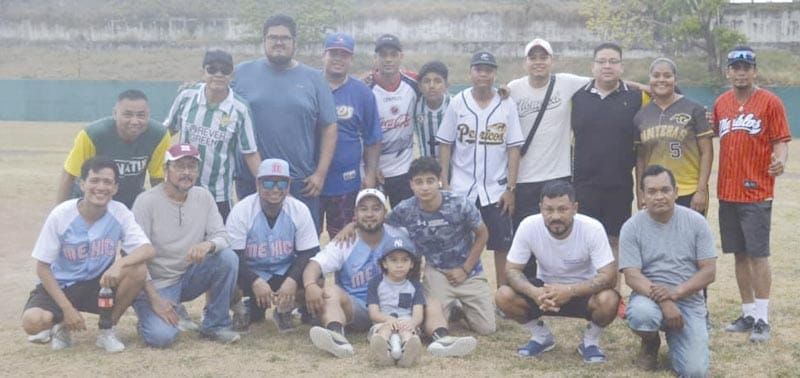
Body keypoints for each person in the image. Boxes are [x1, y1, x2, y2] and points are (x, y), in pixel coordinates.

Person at [305, 188, 477, 359]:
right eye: (363, 209)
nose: (370, 214)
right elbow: (315, 264)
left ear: (385, 212)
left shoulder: (399, 235)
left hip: (398, 304)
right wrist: (310, 285)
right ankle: (337, 338)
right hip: (359, 308)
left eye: (376, 208)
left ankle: (442, 340)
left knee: (431, 302)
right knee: (330, 292)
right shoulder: (346, 240)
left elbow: (418, 257)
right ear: (355, 214)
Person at [22, 156, 154, 352]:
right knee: (33, 322)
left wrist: (119, 264)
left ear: (115, 188)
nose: (101, 187)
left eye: (107, 182)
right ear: (82, 184)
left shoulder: (119, 212)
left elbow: (147, 249)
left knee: (137, 269)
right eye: (94, 180)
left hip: (98, 284)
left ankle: (106, 330)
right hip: (62, 285)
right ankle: (60, 326)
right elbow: (42, 268)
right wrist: (66, 309)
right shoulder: (61, 215)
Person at [713, 46, 791, 342]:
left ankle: (762, 317)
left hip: (756, 192)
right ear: (728, 71)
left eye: (746, 67)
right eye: (735, 67)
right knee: (739, 254)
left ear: (754, 71)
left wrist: (781, 160)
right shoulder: (721, 103)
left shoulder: (770, 102)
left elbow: (781, 140)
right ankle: (747, 313)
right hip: (727, 192)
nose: (741, 72)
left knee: (758, 255)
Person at [232, 14, 338, 232]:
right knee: (253, 245)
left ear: (294, 42)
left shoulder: (314, 79)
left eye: (285, 38)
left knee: (302, 246)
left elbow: (329, 127)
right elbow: (215, 94)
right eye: (272, 37)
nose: (278, 42)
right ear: (264, 41)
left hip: (300, 181)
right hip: (250, 180)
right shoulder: (241, 73)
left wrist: (320, 173)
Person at [495, 180, 619, 363]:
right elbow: (512, 270)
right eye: (549, 209)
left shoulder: (592, 228)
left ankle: (590, 341)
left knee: (609, 300)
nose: (555, 216)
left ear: (575, 208)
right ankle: (541, 337)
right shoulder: (529, 225)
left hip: (582, 290)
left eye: (562, 209)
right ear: (540, 208)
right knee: (503, 295)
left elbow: (609, 276)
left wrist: (569, 291)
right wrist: (534, 292)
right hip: (544, 293)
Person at [131, 144, 240, 347]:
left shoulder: (203, 196)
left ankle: (215, 325)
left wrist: (208, 245)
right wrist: (154, 298)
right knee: (161, 337)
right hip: (158, 283)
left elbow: (223, 236)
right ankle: (148, 320)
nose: (186, 173)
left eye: (192, 167)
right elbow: (134, 257)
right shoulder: (146, 202)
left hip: (189, 275)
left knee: (227, 258)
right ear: (166, 170)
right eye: (179, 167)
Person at [571, 42, 646, 316]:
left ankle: (613, 295)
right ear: (592, 66)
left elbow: (672, 93)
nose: (607, 66)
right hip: (584, 183)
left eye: (613, 61)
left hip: (619, 182)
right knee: (586, 239)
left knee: (615, 240)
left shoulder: (636, 97)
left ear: (621, 67)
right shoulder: (577, 96)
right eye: (602, 61)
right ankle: (585, 293)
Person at [620, 165, 716, 377]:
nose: (659, 196)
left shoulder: (696, 222)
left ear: (676, 192)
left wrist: (676, 293)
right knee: (641, 315)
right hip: (649, 297)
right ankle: (650, 341)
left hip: (689, 300)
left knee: (695, 372)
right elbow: (632, 275)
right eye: (652, 191)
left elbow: (709, 271)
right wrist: (665, 301)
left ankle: (679, 338)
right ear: (642, 196)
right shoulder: (631, 227)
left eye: (665, 190)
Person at [437, 51, 523, 288]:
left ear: (495, 73)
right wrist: (444, 183)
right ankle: (459, 295)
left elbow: (513, 149)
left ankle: (503, 295)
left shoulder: (506, 103)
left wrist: (511, 188)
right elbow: (445, 144)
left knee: (502, 245)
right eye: (478, 69)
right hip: (462, 189)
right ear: (471, 72)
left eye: (488, 69)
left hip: (496, 189)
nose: (483, 74)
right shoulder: (458, 102)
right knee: (457, 243)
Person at [383, 157, 496, 335]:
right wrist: (353, 226)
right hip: (436, 271)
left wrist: (465, 269)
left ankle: (460, 306)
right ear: (411, 185)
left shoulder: (459, 203)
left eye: (430, 181)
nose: (425, 187)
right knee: (433, 324)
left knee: (487, 329)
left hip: (468, 271)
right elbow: (382, 224)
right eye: (419, 182)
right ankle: (453, 307)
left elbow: (483, 234)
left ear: (439, 181)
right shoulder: (405, 209)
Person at [163, 49, 261, 221]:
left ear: (232, 75)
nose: (218, 74)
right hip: (181, 188)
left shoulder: (240, 109)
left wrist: (264, 183)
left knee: (218, 243)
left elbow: (250, 152)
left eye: (225, 70)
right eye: (212, 69)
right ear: (203, 72)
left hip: (218, 195)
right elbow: (167, 133)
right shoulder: (186, 96)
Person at [226, 158, 320, 333]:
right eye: (268, 182)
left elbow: (309, 252)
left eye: (281, 183)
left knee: (316, 274)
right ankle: (242, 310)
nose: (275, 189)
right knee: (227, 270)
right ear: (258, 184)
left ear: (289, 185)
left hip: (283, 271)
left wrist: (292, 280)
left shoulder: (299, 209)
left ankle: (285, 309)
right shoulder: (242, 210)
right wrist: (255, 281)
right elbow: (234, 256)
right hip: (251, 272)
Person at [507, 38, 591, 230]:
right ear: (525, 63)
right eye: (533, 57)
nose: (538, 62)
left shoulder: (567, 82)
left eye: (543, 57)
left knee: (559, 233)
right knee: (525, 235)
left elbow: (603, 81)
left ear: (551, 61)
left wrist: (645, 87)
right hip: (523, 178)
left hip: (558, 175)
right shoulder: (514, 88)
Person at [56, 89, 171, 208]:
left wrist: (161, 210)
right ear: (115, 114)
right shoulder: (93, 135)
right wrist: (60, 213)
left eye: (141, 115)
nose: (135, 121)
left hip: (130, 199)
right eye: (128, 114)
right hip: (92, 198)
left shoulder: (159, 135)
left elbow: (158, 179)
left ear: (149, 115)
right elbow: (70, 174)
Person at [319, 32, 382, 238]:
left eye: (344, 54)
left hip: (346, 184)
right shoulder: (309, 86)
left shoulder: (362, 93)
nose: (338, 58)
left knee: (346, 240)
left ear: (351, 59)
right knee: (307, 241)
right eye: (333, 53)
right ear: (323, 55)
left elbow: (373, 139)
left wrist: (371, 174)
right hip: (310, 182)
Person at [634, 57, 713, 215]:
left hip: (688, 190)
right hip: (655, 191)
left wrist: (701, 190)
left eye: (667, 75)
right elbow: (640, 159)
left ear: (675, 79)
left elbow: (707, 152)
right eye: (656, 76)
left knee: (689, 238)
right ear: (649, 79)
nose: (661, 80)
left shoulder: (694, 109)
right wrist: (640, 192)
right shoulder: (641, 115)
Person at [370, 34, 418, 208]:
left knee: (406, 225)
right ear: (375, 58)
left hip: (404, 172)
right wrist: (370, 168)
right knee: (372, 225)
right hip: (375, 173)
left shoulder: (414, 83)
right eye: (383, 55)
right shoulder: (365, 88)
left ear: (401, 57)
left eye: (393, 54)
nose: (388, 59)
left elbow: (439, 91)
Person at [366, 235, 425, 367]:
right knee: (384, 330)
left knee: (407, 332)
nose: (399, 265)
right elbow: (374, 313)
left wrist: (411, 323)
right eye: (394, 260)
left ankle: (407, 354)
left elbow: (418, 314)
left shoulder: (415, 285)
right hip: (383, 322)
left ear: (412, 264)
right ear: (384, 263)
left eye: (404, 260)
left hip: (406, 323)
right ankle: (383, 353)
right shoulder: (375, 283)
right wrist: (389, 320)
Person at [413, 60, 450, 158]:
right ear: (420, 86)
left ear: (446, 85)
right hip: (424, 167)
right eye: (427, 81)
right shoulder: (414, 106)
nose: (432, 86)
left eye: (437, 81)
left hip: (452, 166)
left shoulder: (455, 106)